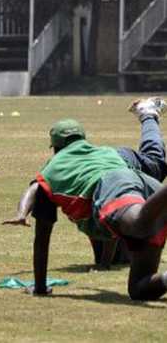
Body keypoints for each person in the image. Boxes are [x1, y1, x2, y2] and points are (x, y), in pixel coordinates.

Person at [26, 101, 167, 300]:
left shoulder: (51, 172)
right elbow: (110, 226)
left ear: (55, 147)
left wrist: (40, 288)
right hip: (146, 187)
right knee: (139, 290)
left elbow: (41, 239)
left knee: (138, 224)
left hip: (122, 186)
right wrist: (104, 263)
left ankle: (148, 115)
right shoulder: (104, 152)